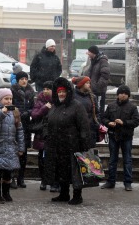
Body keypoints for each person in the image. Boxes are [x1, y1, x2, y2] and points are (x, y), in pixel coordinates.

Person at [46, 77, 91, 205]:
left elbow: (84, 126)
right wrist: (46, 135)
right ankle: (64, 193)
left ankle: (77, 195)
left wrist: (84, 143)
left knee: (76, 171)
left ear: (68, 92)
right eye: (59, 92)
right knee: (62, 170)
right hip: (58, 145)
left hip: (73, 145)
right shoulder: (55, 106)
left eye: (63, 91)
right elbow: (47, 122)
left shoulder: (77, 106)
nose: (61, 94)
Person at [0, 88, 24, 203]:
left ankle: (6, 193)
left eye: (10, 98)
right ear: (0, 99)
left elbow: (20, 130)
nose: (8, 101)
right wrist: (1, 113)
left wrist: (21, 147)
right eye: (6, 99)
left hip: (10, 147)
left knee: (8, 172)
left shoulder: (15, 112)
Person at [101, 85, 139, 191]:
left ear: (128, 95)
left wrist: (124, 123)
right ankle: (110, 181)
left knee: (127, 160)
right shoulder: (111, 105)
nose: (123, 95)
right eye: (121, 93)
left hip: (126, 136)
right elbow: (103, 118)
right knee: (112, 160)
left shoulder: (132, 107)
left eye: (125, 93)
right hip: (113, 135)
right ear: (117, 94)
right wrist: (109, 123)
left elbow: (136, 121)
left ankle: (128, 182)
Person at [10, 71, 35, 188]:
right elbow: (10, 106)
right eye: (22, 79)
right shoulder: (13, 91)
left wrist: (28, 113)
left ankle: (21, 177)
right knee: (14, 151)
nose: (24, 81)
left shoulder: (30, 92)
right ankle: (12, 177)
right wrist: (17, 113)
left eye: (26, 78)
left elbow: (34, 108)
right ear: (18, 80)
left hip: (26, 125)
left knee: (23, 152)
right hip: (15, 124)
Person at [31, 81, 56, 192]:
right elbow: (34, 114)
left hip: (54, 133)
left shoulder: (57, 101)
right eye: (44, 88)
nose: (45, 91)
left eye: (48, 89)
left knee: (53, 159)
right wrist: (44, 108)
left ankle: (53, 181)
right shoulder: (40, 101)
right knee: (42, 159)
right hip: (42, 134)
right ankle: (43, 180)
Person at [72, 76, 100, 148]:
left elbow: (97, 112)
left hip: (90, 129)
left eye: (89, 83)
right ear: (81, 84)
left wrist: (96, 124)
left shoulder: (92, 97)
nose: (89, 85)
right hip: (76, 129)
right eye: (87, 83)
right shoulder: (72, 96)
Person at [84, 45, 110, 118]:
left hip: (99, 91)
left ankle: (100, 124)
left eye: (89, 52)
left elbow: (105, 76)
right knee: (93, 108)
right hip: (92, 90)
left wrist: (97, 86)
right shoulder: (93, 61)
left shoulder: (103, 61)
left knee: (99, 110)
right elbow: (89, 73)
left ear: (93, 53)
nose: (88, 54)